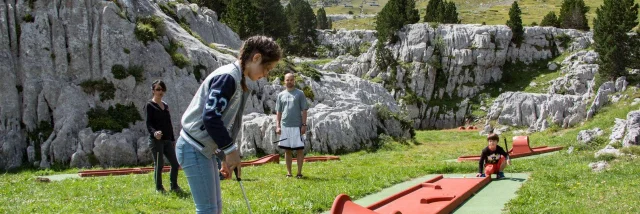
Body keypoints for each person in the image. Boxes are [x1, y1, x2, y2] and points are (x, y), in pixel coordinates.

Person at [176, 35, 282, 213]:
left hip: (203, 149)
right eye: (267, 68)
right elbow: (210, 117)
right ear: (256, 58)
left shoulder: (237, 78)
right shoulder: (228, 77)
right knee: (208, 209)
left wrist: (224, 156)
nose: (266, 74)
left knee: (215, 208)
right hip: (193, 147)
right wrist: (230, 151)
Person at [145, 80, 181, 193]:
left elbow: (168, 123)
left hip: (167, 140)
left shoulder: (165, 105)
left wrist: (173, 139)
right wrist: (154, 133)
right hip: (156, 141)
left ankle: (174, 186)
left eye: (162, 89)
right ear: (153, 91)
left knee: (175, 163)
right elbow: (148, 123)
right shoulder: (149, 105)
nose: (160, 92)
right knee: (159, 164)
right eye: (158, 89)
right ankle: (159, 188)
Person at [275, 73, 309, 179]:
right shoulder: (281, 95)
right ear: (284, 81)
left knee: (299, 150)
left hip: (297, 126)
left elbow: (304, 110)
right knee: (287, 150)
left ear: (294, 81)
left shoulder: (300, 94)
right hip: (285, 126)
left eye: (291, 80)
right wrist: (278, 126)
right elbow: (278, 112)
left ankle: (299, 173)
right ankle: (289, 173)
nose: (289, 81)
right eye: (287, 80)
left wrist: (304, 125)